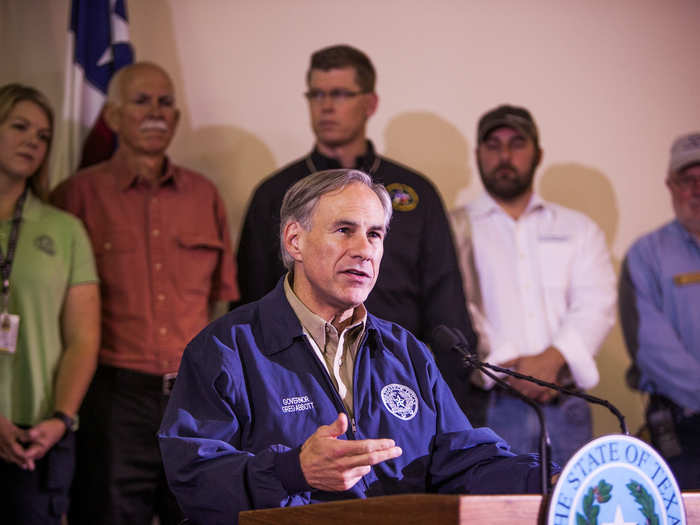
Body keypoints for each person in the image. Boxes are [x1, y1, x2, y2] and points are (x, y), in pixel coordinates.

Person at [159, 169, 556, 525]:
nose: (364, 249)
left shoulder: (406, 352)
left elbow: (462, 459)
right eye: (344, 230)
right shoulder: (226, 349)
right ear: (294, 240)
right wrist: (291, 471)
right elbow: (195, 478)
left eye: (375, 234)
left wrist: (550, 479)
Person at [235, 46, 481, 417]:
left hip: (400, 383)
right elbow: (250, 306)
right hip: (299, 387)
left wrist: (452, 410)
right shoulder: (276, 193)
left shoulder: (416, 192)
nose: (325, 106)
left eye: (339, 94)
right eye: (316, 94)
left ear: (370, 102)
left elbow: (445, 305)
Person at [51, 62, 239, 525]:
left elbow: (223, 302)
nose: (155, 112)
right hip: (114, 401)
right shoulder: (75, 196)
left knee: (200, 515)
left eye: (165, 102)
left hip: (197, 401)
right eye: (141, 101)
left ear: (176, 118)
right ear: (112, 117)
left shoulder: (204, 195)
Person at [449, 105, 616, 466]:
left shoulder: (579, 229)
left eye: (517, 144)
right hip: (487, 405)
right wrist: (506, 365)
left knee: (569, 514)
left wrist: (552, 361)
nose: (505, 156)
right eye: (493, 145)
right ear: (477, 155)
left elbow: (596, 303)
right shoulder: (455, 228)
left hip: (566, 403)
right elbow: (456, 305)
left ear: (537, 154)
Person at [0, 84, 100, 524]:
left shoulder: (64, 229)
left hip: (36, 435)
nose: (32, 142)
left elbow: (82, 338)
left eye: (42, 136)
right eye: (20, 127)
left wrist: (60, 419)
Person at [619, 132, 700, 489]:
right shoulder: (646, 255)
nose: (697, 189)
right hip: (683, 432)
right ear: (670, 185)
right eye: (688, 180)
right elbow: (652, 351)